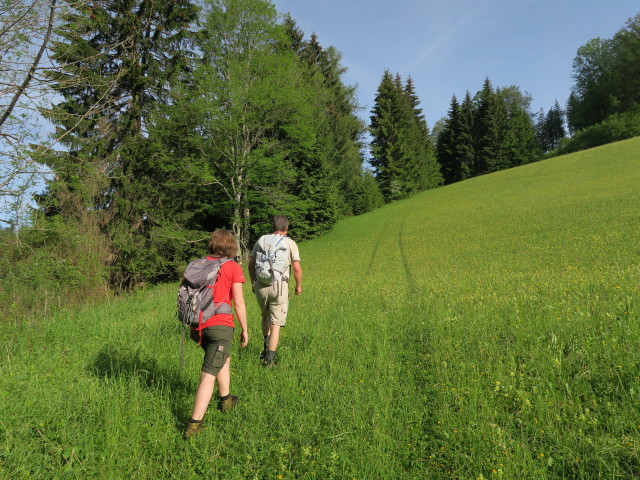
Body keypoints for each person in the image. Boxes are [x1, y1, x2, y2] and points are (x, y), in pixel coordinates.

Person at [185, 229, 249, 439]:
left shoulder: (199, 265)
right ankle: (194, 425)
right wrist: (245, 329)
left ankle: (226, 400)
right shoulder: (232, 267)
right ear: (231, 246)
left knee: (223, 358)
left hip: (197, 325)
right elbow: (238, 302)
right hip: (219, 325)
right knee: (208, 374)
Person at [248, 215, 302, 367]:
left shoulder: (261, 240)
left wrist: (253, 282)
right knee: (276, 324)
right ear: (286, 228)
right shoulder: (289, 243)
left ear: (273, 227)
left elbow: (251, 264)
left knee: (265, 316)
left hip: (260, 285)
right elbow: (296, 267)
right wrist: (298, 285)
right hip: (279, 287)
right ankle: (269, 360)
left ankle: (265, 349)